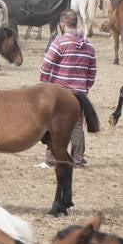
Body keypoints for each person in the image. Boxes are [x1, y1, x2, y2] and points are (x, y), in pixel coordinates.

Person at [38, 9, 97, 169]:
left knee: (53, 125)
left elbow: (46, 65)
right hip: (79, 93)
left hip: (59, 92)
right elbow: (92, 72)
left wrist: (45, 84)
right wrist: (85, 87)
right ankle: (78, 160)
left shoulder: (59, 42)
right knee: (77, 126)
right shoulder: (89, 46)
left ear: (62, 24)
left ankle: (51, 159)